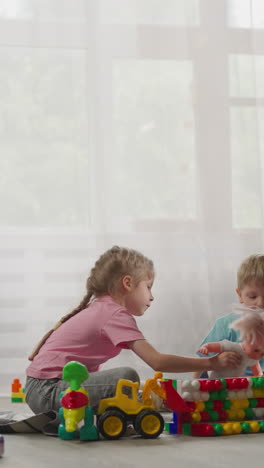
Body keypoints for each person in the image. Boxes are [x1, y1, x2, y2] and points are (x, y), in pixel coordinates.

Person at [25, 245, 241, 417]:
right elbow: (157, 361)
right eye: (148, 287)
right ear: (127, 283)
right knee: (126, 377)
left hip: (42, 389)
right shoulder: (114, 313)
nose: (152, 296)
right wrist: (211, 363)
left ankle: (150, 401)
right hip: (49, 392)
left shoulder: (101, 308)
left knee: (129, 384)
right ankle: (148, 403)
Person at [194, 254, 264, 378]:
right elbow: (202, 362)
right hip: (230, 389)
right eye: (253, 297)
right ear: (240, 295)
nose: (260, 303)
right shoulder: (226, 324)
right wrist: (194, 389)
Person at [198, 312, 264, 378]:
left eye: (262, 354)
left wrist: (260, 376)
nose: (258, 356)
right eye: (256, 350)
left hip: (233, 381)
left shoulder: (252, 358)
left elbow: (257, 371)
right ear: (246, 338)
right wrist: (206, 347)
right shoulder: (233, 347)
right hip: (217, 378)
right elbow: (217, 346)